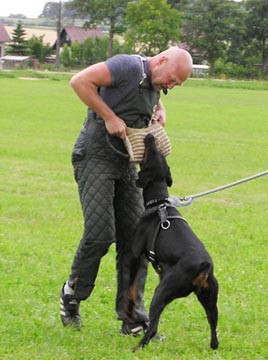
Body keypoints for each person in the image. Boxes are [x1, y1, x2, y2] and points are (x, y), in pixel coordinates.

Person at [59, 47, 193, 335]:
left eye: (175, 86)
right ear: (161, 61)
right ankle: (71, 295)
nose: (170, 86)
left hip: (126, 163)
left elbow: (151, 100)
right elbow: (79, 81)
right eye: (171, 80)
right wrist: (108, 116)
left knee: (136, 240)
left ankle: (132, 317)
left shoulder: (156, 84)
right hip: (94, 155)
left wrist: (159, 111)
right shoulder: (127, 67)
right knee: (99, 234)